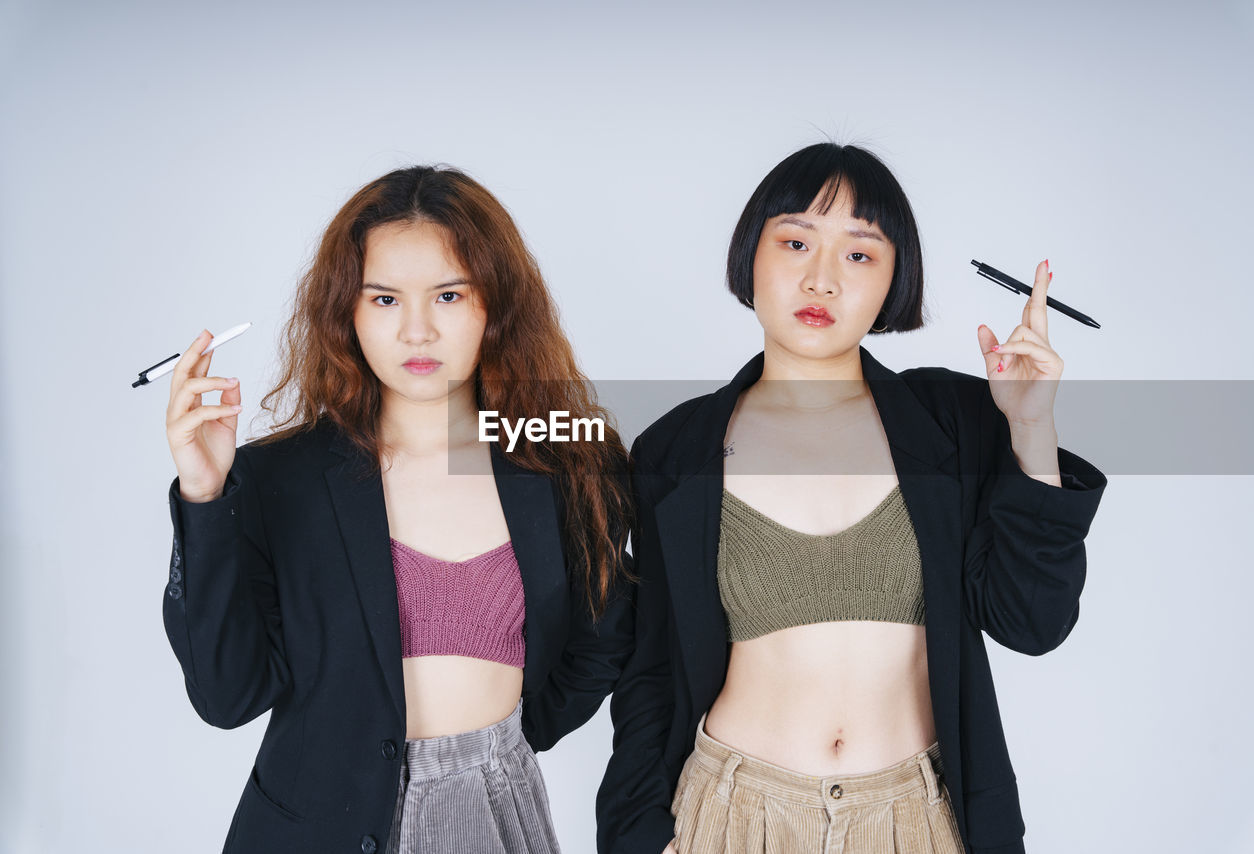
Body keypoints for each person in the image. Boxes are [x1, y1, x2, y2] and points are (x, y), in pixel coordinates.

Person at [596, 142, 1107, 854]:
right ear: (752, 254)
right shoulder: (674, 452)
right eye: (796, 241)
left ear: (897, 278)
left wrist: (1030, 427)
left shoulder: (954, 423)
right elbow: (652, 676)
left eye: (860, 254)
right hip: (733, 817)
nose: (822, 278)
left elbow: (1033, 621)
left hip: (915, 821)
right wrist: (635, 840)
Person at [161, 165, 633, 853]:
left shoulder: (566, 461)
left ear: (495, 305)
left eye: (448, 295)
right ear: (346, 313)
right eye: (383, 299)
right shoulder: (275, 477)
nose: (417, 331)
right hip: (317, 822)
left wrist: (497, 745)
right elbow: (227, 696)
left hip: (495, 814)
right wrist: (204, 497)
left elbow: (602, 635)